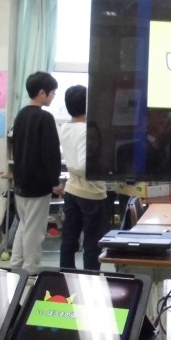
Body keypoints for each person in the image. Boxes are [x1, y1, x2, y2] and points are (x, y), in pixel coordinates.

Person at [10, 71, 64, 275]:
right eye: (52, 92)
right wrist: (55, 181)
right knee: (35, 229)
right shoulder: (45, 117)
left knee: (24, 225)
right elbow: (50, 153)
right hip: (38, 184)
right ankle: (31, 269)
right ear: (42, 92)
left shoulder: (21, 115)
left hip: (21, 181)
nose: (53, 96)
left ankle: (16, 264)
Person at [59, 85, 108, 271]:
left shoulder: (66, 127)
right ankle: (90, 279)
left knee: (69, 239)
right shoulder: (86, 130)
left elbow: (74, 163)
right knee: (92, 242)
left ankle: (65, 276)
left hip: (71, 189)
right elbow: (82, 165)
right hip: (90, 192)